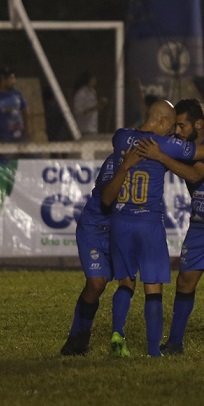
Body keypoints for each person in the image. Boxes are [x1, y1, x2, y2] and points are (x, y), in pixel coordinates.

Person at [135, 98, 204, 356]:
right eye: (175, 126)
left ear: (199, 124)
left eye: (182, 126)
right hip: (199, 225)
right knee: (185, 282)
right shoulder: (185, 146)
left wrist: (161, 156)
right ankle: (175, 344)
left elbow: (196, 175)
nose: (177, 131)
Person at [106, 99, 204, 358]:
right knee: (153, 287)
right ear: (163, 122)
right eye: (171, 125)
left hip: (120, 220)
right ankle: (153, 350)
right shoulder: (165, 144)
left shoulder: (120, 137)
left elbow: (131, 138)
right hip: (148, 222)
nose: (173, 131)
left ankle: (117, 332)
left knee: (125, 281)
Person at [60, 149, 144, 356]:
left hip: (123, 229)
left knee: (128, 281)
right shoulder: (120, 157)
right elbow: (107, 196)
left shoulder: (157, 154)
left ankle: (117, 337)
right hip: (96, 228)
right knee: (96, 284)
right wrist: (125, 166)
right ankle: (77, 337)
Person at [0, 67, 28, 144]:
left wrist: (27, 130)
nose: (14, 81)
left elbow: (25, 111)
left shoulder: (17, 93)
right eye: (11, 78)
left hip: (20, 136)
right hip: (4, 138)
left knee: (34, 156)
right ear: (3, 80)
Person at [72, 71, 108, 137]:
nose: (95, 81)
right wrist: (93, 107)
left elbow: (94, 105)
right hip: (84, 127)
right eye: (93, 79)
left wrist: (99, 104)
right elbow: (78, 110)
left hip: (93, 126)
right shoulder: (81, 93)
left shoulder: (93, 92)